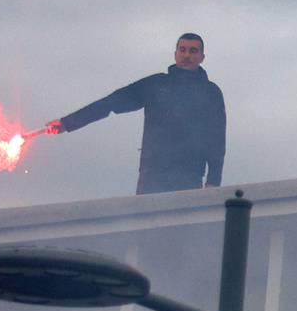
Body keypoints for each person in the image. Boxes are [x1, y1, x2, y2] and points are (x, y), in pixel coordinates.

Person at [43, 33, 226, 193]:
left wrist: (213, 181)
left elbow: (216, 140)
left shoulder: (210, 93)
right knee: (147, 226)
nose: (187, 55)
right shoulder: (155, 85)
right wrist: (67, 123)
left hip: (189, 174)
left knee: (182, 230)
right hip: (153, 173)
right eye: (183, 49)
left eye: (193, 51)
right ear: (175, 53)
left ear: (202, 57)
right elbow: (110, 103)